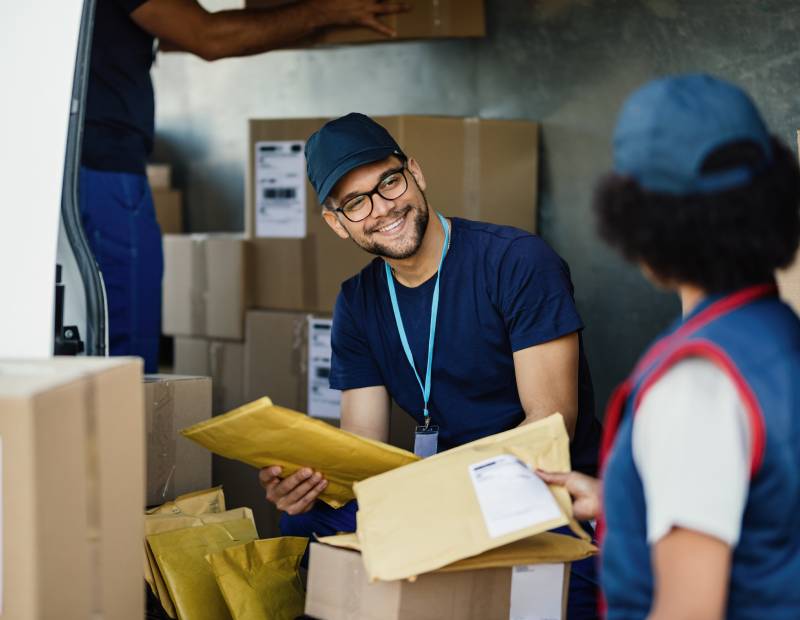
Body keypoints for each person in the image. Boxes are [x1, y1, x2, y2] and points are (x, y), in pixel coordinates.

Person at [258, 112, 603, 618]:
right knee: (303, 524)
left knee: (552, 591)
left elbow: (549, 427)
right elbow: (363, 449)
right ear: (336, 223)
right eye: (356, 202)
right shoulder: (357, 301)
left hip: (535, 487)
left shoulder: (517, 261)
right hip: (433, 490)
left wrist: (435, 497)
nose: (382, 208)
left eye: (389, 182)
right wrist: (310, 487)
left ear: (414, 173)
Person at [540, 74, 800, 619]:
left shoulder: (694, 383)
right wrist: (628, 503)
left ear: (640, 227)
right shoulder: (778, 331)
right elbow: (768, 511)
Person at [80, 0, 408, 372]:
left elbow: (170, 35)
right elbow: (206, 35)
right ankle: (115, 426)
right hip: (102, 169)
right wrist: (328, 10)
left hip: (86, 165)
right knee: (123, 347)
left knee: (105, 334)